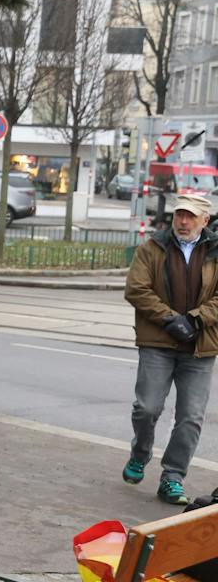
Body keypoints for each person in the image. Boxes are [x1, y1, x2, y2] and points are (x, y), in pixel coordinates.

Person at [123, 192, 218, 506]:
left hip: (199, 346)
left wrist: (194, 320)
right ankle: (140, 452)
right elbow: (136, 289)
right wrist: (168, 319)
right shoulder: (153, 246)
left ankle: (173, 477)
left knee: (191, 417)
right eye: (180, 214)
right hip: (159, 342)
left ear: (206, 220)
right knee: (146, 408)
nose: (183, 221)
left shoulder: (215, 251)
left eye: (191, 216)